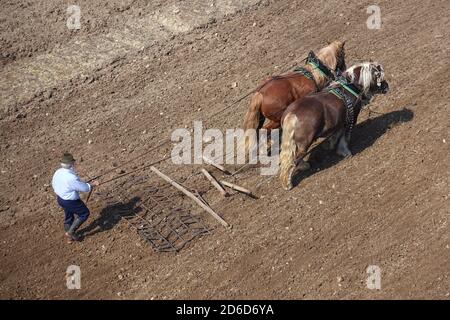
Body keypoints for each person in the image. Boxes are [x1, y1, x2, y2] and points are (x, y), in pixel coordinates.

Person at [51, 153, 99, 242]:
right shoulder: (71, 177)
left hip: (60, 198)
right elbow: (84, 188)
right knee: (84, 213)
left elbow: (54, 184)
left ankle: (68, 232)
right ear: (71, 164)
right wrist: (92, 184)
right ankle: (70, 232)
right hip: (70, 201)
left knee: (69, 214)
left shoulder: (58, 171)